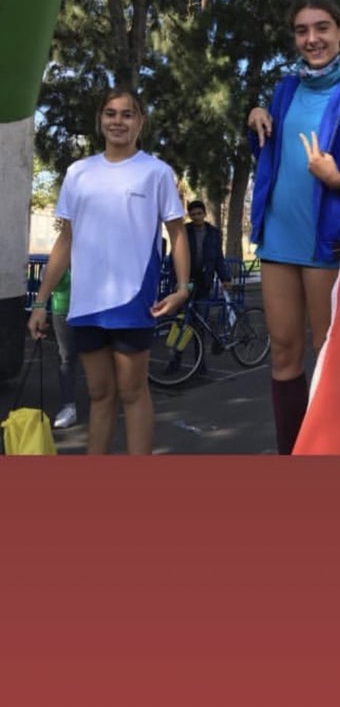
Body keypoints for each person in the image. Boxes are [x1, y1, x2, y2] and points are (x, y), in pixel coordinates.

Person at [247, 0, 340, 453]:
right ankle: (290, 456)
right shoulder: (285, 90)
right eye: (302, 30)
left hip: (326, 244)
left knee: (329, 358)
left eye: (322, 28)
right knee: (284, 355)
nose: (312, 39)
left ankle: (334, 454)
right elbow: (276, 155)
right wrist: (255, 117)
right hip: (277, 239)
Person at [28, 88, 191, 455]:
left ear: (141, 122)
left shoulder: (156, 172)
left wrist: (183, 287)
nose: (119, 121)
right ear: (100, 120)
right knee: (99, 394)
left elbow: (178, 234)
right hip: (86, 304)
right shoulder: (78, 173)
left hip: (133, 301)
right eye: (111, 113)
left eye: (128, 114)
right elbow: (65, 241)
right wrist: (40, 302)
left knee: (133, 392)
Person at [50, 267, 79, 429]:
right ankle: (69, 406)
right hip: (63, 309)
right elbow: (48, 274)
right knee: (66, 357)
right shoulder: (64, 247)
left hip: (90, 308)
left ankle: (111, 401)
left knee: (99, 356)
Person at [186, 200, 230, 299]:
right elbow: (175, 257)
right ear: (189, 216)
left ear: (204, 214)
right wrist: (176, 281)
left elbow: (218, 257)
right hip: (187, 280)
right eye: (193, 214)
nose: (196, 217)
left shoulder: (214, 233)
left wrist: (225, 278)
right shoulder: (185, 232)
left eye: (199, 213)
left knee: (202, 311)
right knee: (185, 311)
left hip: (205, 280)